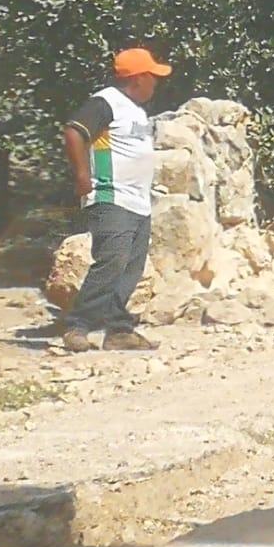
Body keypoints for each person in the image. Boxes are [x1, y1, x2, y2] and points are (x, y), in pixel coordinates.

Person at [60, 47, 172, 353]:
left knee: (131, 268)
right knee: (112, 261)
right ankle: (77, 326)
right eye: (153, 77)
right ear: (139, 77)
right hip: (111, 197)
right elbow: (73, 132)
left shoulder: (135, 109)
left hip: (138, 202)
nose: (156, 83)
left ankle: (118, 330)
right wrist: (82, 176)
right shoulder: (105, 102)